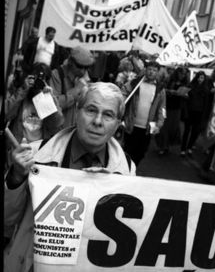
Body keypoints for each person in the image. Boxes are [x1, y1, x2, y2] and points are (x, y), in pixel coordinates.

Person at [4, 82, 135, 271]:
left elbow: (125, 234)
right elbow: (7, 220)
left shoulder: (127, 169)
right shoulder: (34, 156)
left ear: (117, 124)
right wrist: (16, 177)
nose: (97, 121)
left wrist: (110, 191)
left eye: (108, 115)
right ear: (77, 111)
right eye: (91, 110)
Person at [122, 61, 166, 166]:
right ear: (145, 70)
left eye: (154, 70)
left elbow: (162, 109)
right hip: (131, 125)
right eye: (150, 69)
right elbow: (123, 93)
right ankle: (126, 170)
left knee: (141, 153)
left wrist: (159, 124)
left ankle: (133, 168)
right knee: (127, 151)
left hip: (146, 129)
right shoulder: (134, 83)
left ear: (157, 72)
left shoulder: (160, 89)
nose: (151, 72)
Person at [50, 46, 95, 128]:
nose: (83, 71)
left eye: (86, 67)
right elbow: (54, 105)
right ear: (71, 62)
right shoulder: (57, 75)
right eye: (79, 66)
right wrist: (77, 90)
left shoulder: (84, 77)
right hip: (59, 130)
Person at [157, 67, 189, 155]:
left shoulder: (185, 83)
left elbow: (187, 95)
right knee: (164, 127)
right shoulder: (169, 80)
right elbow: (162, 89)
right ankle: (162, 146)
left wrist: (184, 95)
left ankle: (167, 145)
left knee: (173, 128)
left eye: (184, 74)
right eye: (180, 73)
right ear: (177, 73)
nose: (182, 75)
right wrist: (171, 91)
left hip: (177, 108)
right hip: (167, 106)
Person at [181, 70, 210, 157]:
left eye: (202, 78)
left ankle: (189, 147)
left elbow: (206, 103)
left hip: (199, 113)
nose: (200, 79)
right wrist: (185, 111)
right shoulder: (190, 86)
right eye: (199, 77)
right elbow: (185, 100)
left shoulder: (206, 89)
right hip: (190, 111)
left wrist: (204, 115)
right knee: (186, 131)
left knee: (195, 131)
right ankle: (183, 149)